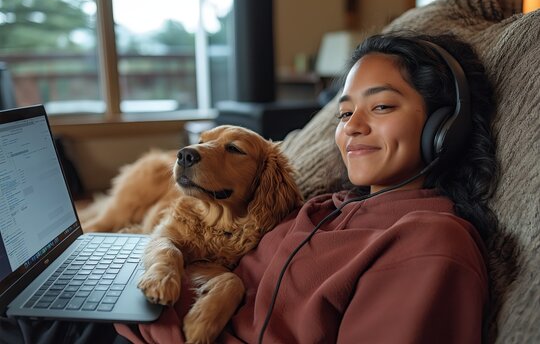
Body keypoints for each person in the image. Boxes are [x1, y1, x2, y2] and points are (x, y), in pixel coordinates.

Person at [1, 32, 498, 343]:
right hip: (130, 304)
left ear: (443, 127)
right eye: (345, 113)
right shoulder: (328, 207)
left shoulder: (430, 243)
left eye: (382, 106)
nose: (352, 127)